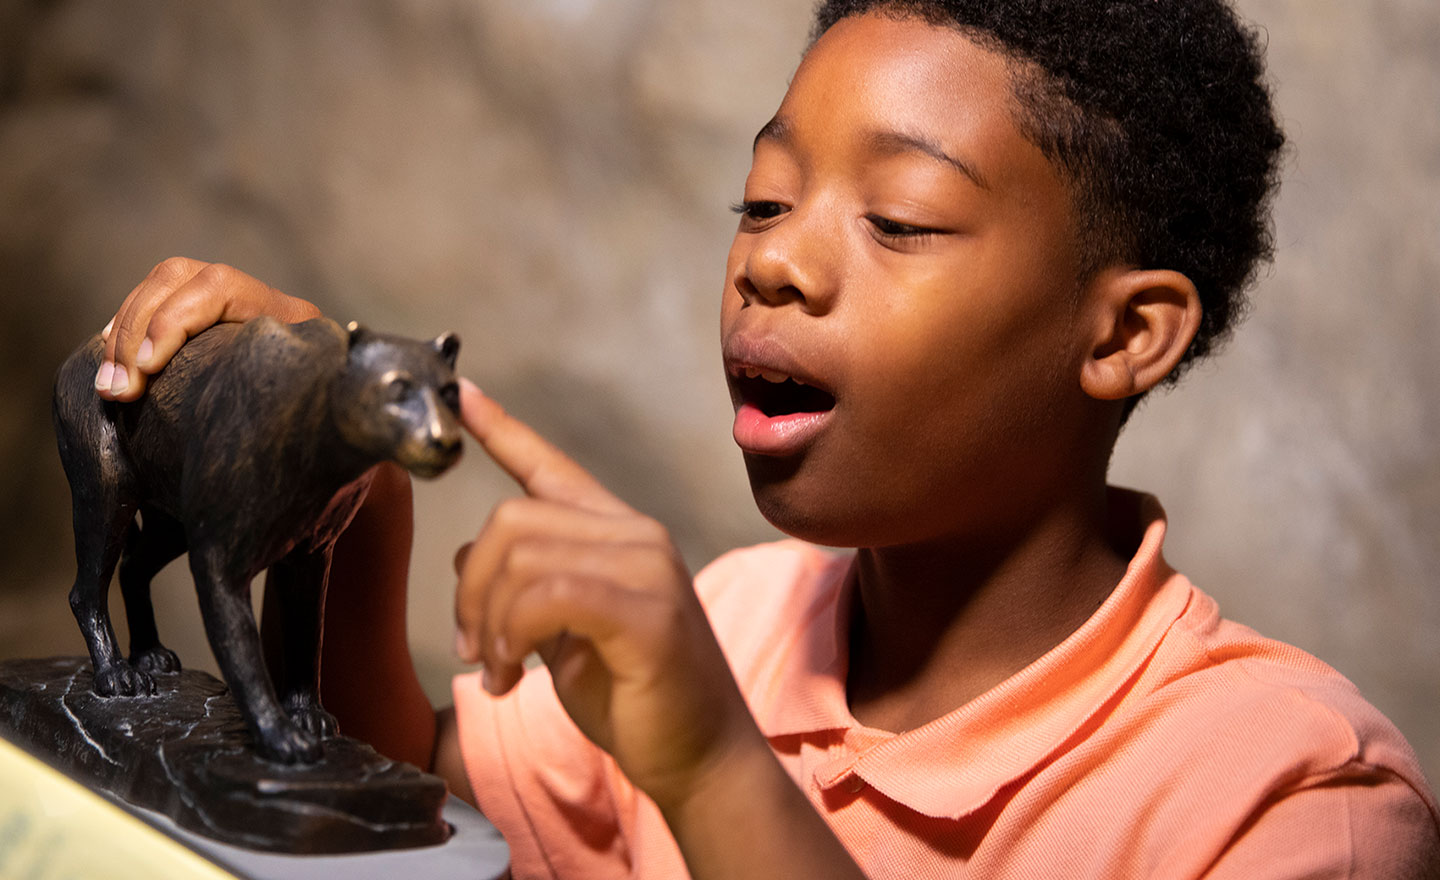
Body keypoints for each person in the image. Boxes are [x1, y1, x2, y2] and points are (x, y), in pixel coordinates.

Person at [94, 0, 1440, 877]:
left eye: (900, 220)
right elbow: (388, 806)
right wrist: (337, 459)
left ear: (1124, 335)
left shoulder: (1292, 801)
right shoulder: (738, 619)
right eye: (763, 200)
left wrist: (717, 768)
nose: (776, 263)